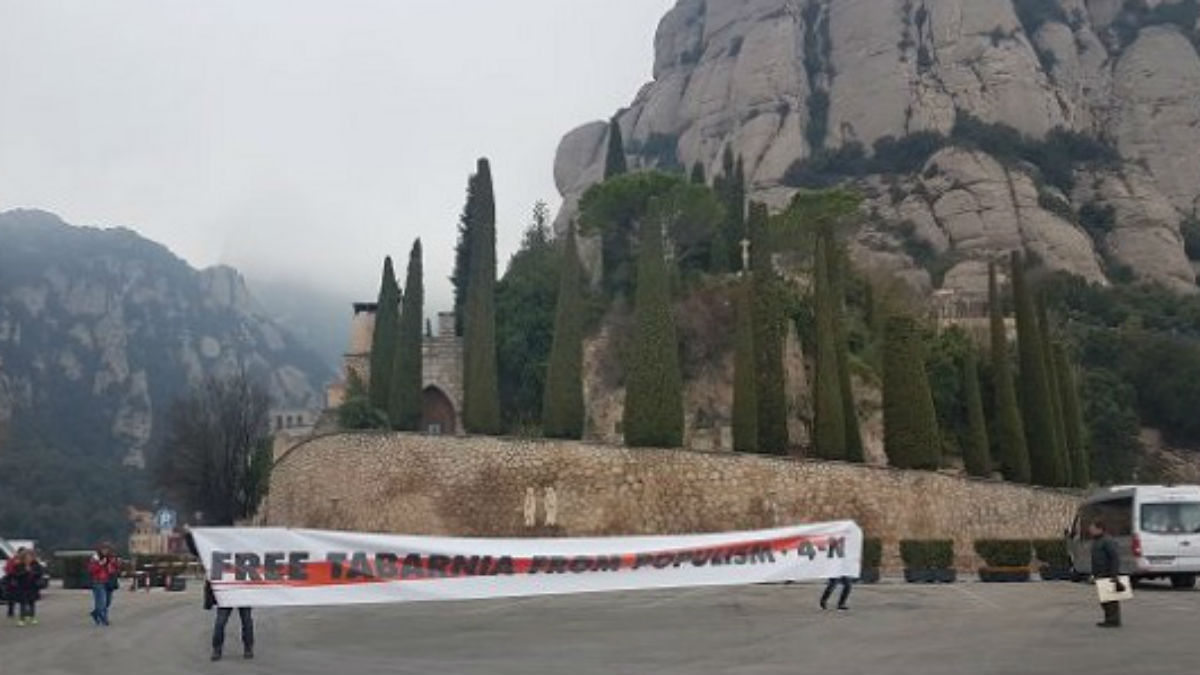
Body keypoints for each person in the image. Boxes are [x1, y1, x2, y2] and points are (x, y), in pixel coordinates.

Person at [185, 532, 254, 661]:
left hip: (242, 592)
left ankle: (247, 647)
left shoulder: (245, 553)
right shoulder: (217, 552)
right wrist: (189, 535)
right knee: (222, 623)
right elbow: (197, 550)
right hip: (226, 592)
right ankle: (217, 649)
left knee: (246, 622)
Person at [1089, 519, 1125, 628]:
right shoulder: (1097, 541)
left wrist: (1114, 575)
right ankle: (1109, 619)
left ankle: (1113, 620)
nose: (1090, 530)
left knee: (1110, 599)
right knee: (1104, 599)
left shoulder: (1107, 541)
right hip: (1100, 573)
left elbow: (1114, 558)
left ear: (1100, 529)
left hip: (1107, 573)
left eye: (1093, 528)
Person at [87, 543, 120, 626]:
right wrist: (100, 564)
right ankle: (104, 618)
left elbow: (116, 568)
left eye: (107, 549)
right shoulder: (95, 558)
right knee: (102, 601)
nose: (105, 551)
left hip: (109, 582)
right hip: (98, 581)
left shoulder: (112, 558)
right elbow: (91, 569)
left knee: (108, 601)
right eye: (103, 549)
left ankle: (96, 613)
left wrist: (115, 564)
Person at [13, 549, 45, 626]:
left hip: (33, 586)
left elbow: (40, 574)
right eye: (26, 557)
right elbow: (16, 575)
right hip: (22, 587)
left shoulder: (36, 565)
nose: (28, 559)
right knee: (23, 603)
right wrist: (25, 571)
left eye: (30, 557)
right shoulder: (18, 565)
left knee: (32, 602)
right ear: (23, 558)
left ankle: (32, 617)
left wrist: (32, 572)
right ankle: (22, 619)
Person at [4, 547, 24, 620]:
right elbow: (7, 569)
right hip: (13, 579)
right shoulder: (13, 560)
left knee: (21, 596)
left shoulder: (24, 561)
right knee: (12, 596)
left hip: (21, 580)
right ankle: (11, 611)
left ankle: (22, 611)